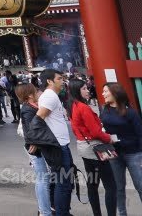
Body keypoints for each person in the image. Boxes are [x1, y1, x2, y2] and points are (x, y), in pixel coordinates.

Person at [68, 78, 116, 216]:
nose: (87, 90)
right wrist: (109, 139)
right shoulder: (83, 107)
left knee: (92, 183)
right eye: (83, 88)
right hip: (95, 148)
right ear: (77, 91)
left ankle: (97, 214)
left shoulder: (73, 105)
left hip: (84, 147)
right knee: (110, 185)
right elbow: (95, 131)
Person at [100, 81, 142, 216]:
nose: (103, 94)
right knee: (118, 188)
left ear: (115, 92)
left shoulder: (131, 112)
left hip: (133, 153)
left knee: (140, 185)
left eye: (105, 91)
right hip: (113, 154)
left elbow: (140, 134)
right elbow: (102, 131)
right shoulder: (104, 110)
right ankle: (122, 213)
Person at [36, 69, 73, 216]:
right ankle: (61, 213)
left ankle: (62, 212)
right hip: (57, 146)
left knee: (64, 181)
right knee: (63, 183)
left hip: (60, 144)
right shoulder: (50, 96)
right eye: (59, 78)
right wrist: (35, 141)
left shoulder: (52, 96)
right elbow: (38, 119)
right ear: (49, 81)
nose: (62, 81)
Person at [18, 82, 52, 216]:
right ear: (30, 95)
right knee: (43, 179)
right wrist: (35, 142)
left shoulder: (32, 107)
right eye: (36, 91)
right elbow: (29, 130)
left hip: (36, 147)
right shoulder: (28, 109)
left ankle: (43, 209)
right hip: (35, 149)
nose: (39, 93)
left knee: (42, 178)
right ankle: (45, 211)